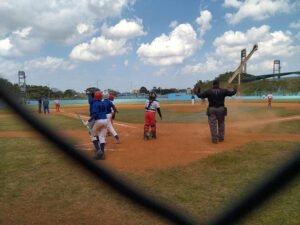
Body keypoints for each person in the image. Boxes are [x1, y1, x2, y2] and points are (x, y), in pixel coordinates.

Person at [194, 80, 237, 144]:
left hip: (212, 109)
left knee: (213, 125)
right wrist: (235, 90)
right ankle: (221, 138)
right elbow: (232, 93)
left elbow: (200, 96)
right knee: (221, 124)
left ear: (213, 84)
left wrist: (196, 92)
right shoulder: (223, 90)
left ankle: (215, 139)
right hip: (221, 109)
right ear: (218, 84)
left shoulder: (208, 91)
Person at [86, 91, 110, 160]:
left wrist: (88, 121)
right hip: (105, 121)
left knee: (92, 134)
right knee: (102, 138)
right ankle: (102, 154)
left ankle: (98, 151)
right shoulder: (103, 103)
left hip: (99, 121)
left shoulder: (95, 103)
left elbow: (95, 114)